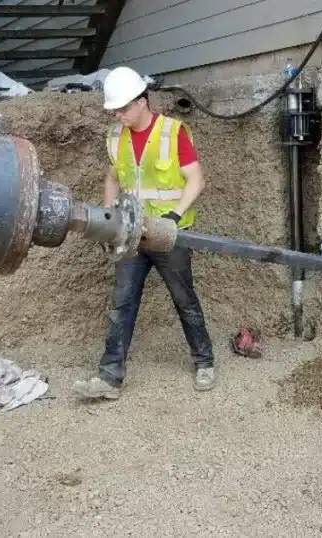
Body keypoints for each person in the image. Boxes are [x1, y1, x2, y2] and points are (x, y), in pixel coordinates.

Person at [73, 66, 216, 400]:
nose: (119, 114)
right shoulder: (115, 138)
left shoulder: (172, 132)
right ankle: (109, 379)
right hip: (132, 236)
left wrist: (174, 215)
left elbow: (196, 179)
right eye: (115, 110)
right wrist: (109, 218)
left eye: (123, 107)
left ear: (142, 101)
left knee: (184, 299)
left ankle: (204, 362)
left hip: (168, 234)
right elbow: (111, 177)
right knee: (122, 302)